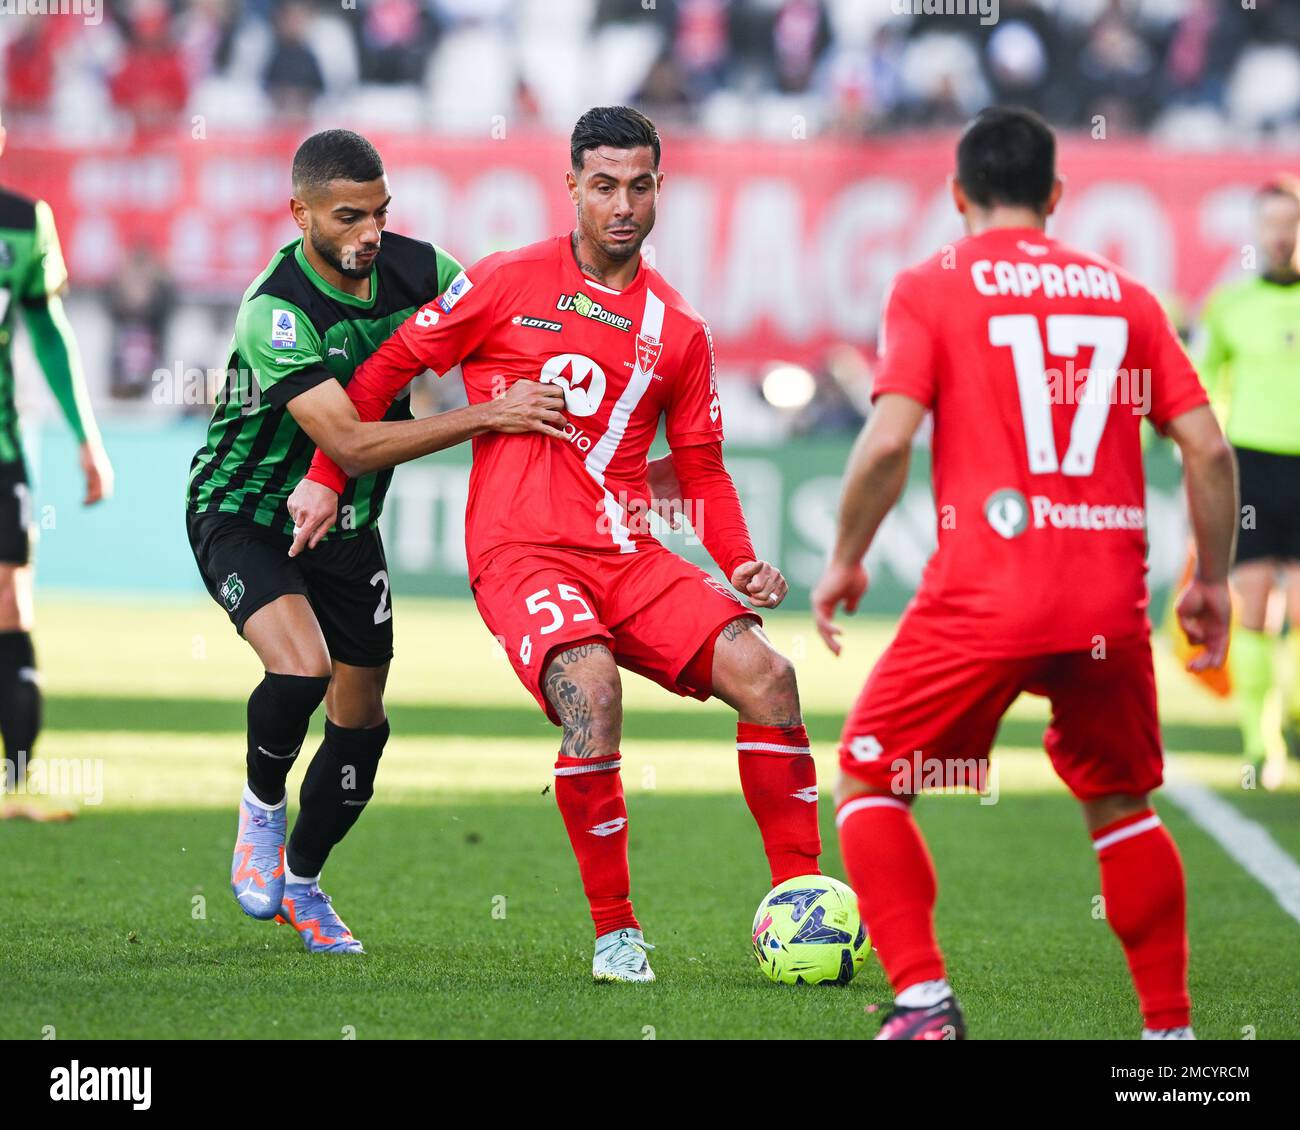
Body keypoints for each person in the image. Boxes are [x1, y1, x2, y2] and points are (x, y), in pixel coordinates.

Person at [286, 106, 823, 983]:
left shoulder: (679, 330)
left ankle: (801, 908)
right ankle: (617, 931)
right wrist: (327, 472)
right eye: (604, 185)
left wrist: (738, 562)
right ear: (572, 185)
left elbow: (703, 468)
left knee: (770, 677)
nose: (622, 204)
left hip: (629, 555)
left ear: (659, 190)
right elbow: (385, 371)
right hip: (521, 553)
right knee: (593, 691)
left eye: (639, 186)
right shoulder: (503, 282)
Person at [812, 107, 1237, 1039]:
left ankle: (924, 1003)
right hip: (1107, 602)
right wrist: (1209, 580)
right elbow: (1206, 450)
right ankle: (1171, 1035)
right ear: (1055, 196)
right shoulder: (1127, 296)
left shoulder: (932, 286)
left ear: (958, 195)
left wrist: (845, 560)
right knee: (1123, 804)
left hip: (984, 598)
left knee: (873, 780)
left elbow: (886, 444)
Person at [184, 128, 565, 952]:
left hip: (349, 529)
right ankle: (259, 810)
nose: (369, 234)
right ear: (301, 214)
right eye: (349, 216)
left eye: (381, 214)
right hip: (248, 510)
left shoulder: (423, 271)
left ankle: (304, 882)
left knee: (362, 730)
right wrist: (488, 414)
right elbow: (350, 442)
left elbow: (500, 337)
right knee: (301, 669)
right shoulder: (274, 312)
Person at [0, 109, 113, 819]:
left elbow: (46, 329)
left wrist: (85, 434)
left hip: (1, 449)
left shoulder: (23, 222)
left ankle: (14, 778)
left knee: (11, 599)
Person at [1196, 178, 1300, 790]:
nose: (1281, 233)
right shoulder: (1229, 304)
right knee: (1254, 606)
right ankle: (1261, 744)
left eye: (1290, 221)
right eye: (1271, 222)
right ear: (1256, 231)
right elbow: (1204, 383)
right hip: (1254, 466)